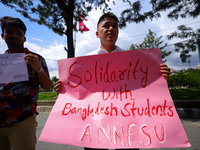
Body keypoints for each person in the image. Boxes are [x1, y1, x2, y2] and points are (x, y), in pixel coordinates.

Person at [54, 12, 171, 150]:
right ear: (97, 34)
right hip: (95, 124)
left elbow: (145, 88)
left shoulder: (132, 59)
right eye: (106, 26)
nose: (111, 29)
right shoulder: (85, 61)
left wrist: (160, 76)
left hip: (127, 124)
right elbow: (79, 93)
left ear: (117, 32)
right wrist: (64, 90)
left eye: (114, 26)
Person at [0, 16, 52, 150]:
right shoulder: (1, 61)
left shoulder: (37, 59)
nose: (14, 35)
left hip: (22, 119)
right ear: (2, 35)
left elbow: (47, 86)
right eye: (9, 32)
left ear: (24, 38)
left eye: (19, 33)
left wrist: (37, 68)